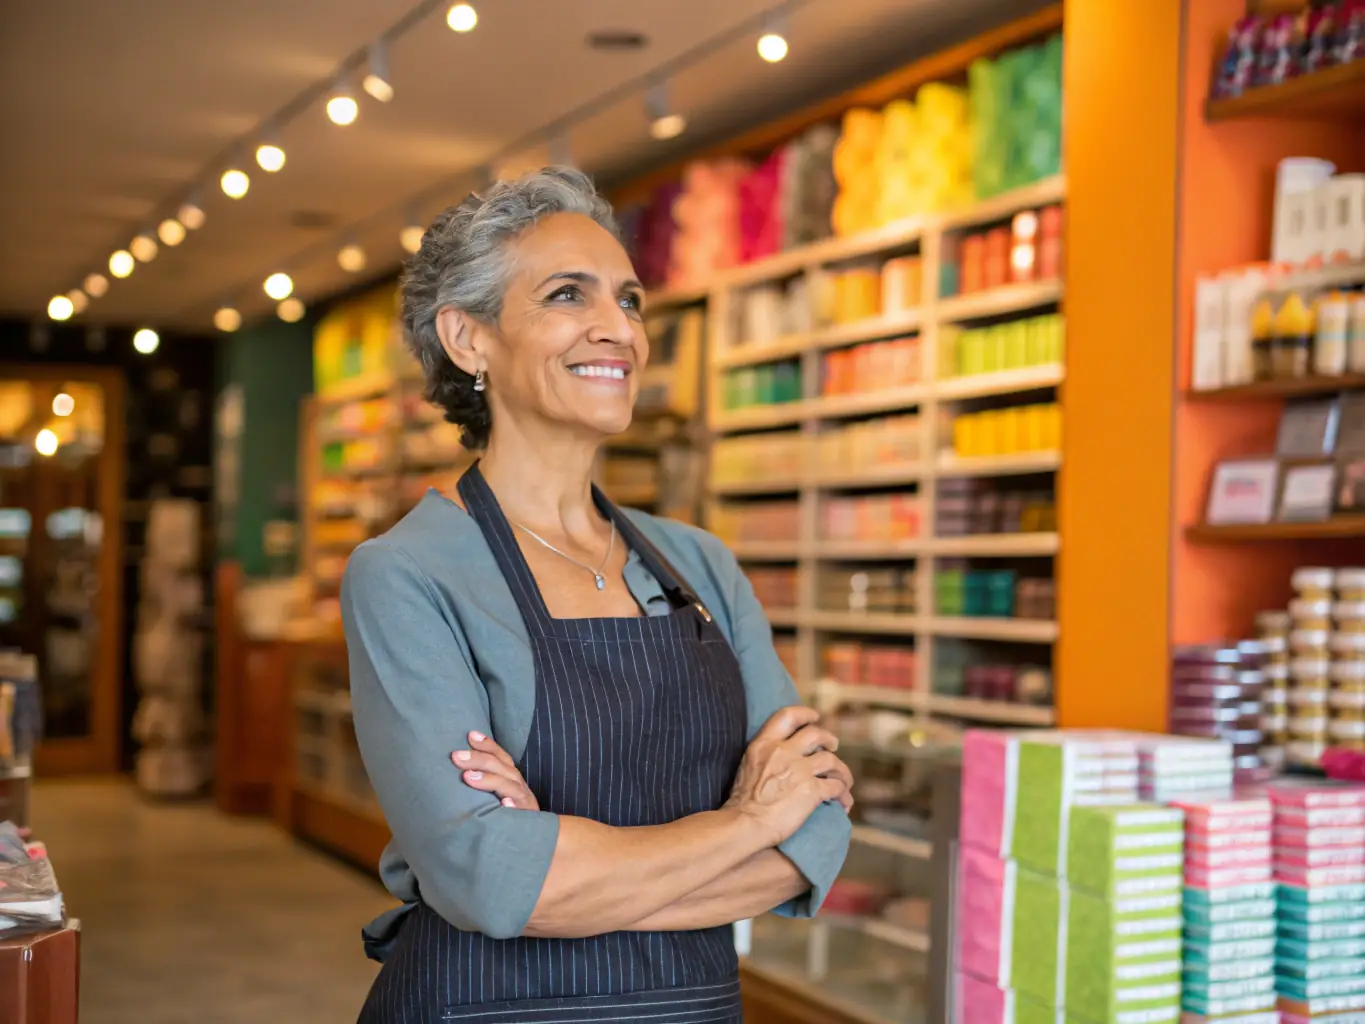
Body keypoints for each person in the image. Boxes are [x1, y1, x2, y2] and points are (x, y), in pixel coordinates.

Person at [342, 166, 853, 1024]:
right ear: (468, 339)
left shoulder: (700, 568)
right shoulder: (407, 574)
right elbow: (488, 878)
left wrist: (562, 874)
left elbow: (814, 836)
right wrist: (744, 821)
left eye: (629, 299)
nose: (616, 328)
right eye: (567, 296)